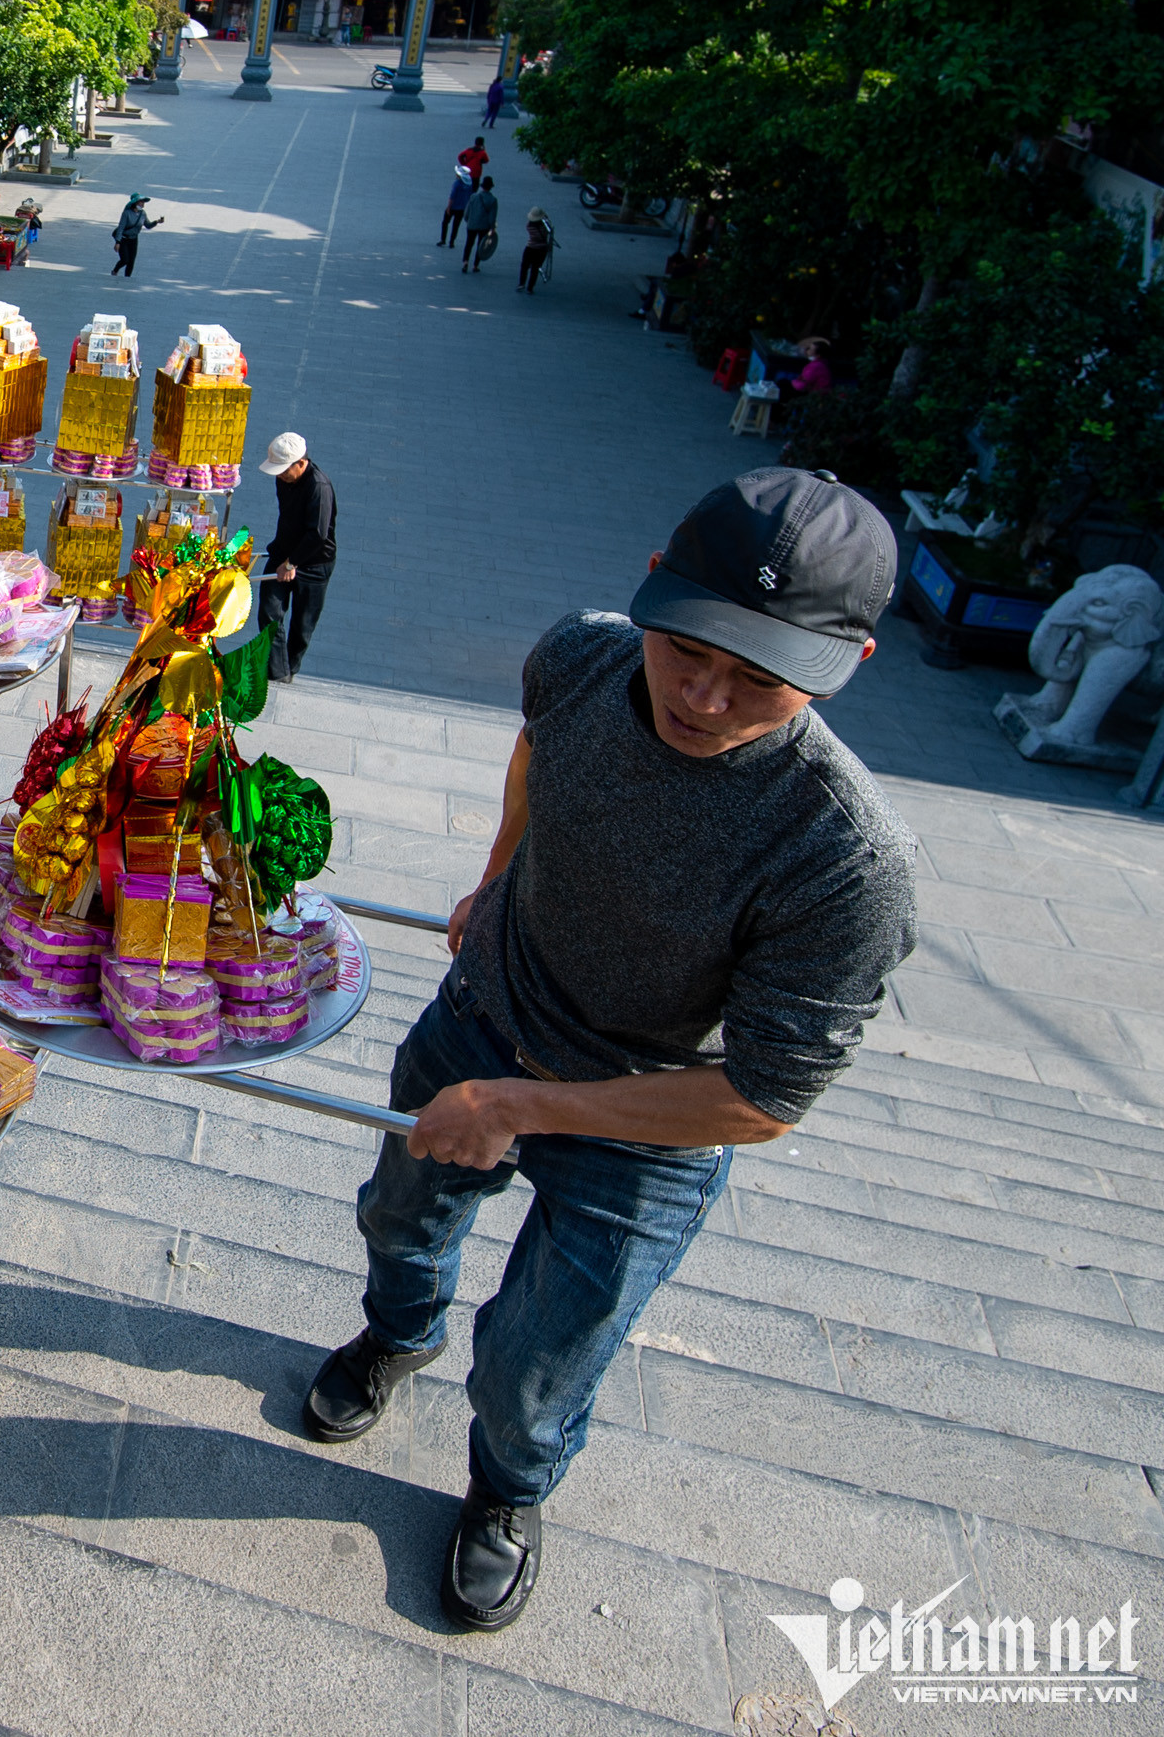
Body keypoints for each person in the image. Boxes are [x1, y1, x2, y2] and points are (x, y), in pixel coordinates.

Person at [298, 468, 916, 1635]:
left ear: (847, 669)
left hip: (650, 1115)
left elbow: (759, 1100)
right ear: (649, 591)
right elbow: (538, 759)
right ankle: (397, 1335)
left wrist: (523, 1106)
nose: (705, 695)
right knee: (400, 1217)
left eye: (759, 678)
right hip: (486, 1017)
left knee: (537, 1357)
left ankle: (506, 1490)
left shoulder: (844, 860)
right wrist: (494, 878)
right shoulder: (581, 658)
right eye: (688, 647)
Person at [255, 431, 334, 682]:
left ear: (301, 463)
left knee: (303, 624)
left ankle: (289, 666)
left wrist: (292, 563)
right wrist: (283, 557)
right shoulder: (284, 479)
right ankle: (277, 673)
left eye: (283, 470)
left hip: (314, 562)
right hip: (283, 553)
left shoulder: (318, 487)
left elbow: (318, 534)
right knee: (269, 611)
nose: (279, 476)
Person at [460, 175, 501, 274]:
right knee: (481, 245)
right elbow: (492, 217)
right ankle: (475, 265)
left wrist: (467, 219)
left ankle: (465, 262)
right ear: (490, 187)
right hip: (484, 226)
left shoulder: (474, 196)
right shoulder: (493, 200)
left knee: (469, 243)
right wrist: (492, 228)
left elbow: (467, 211)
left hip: (472, 224)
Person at [112, 194, 153, 277]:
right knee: (125, 260)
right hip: (123, 239)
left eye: (143, 202)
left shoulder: (143, 213)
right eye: (141, 202)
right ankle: (115, 270)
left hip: (134, 239)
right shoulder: (126, 213)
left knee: (131, 261)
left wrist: (157, 222)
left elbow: (148, 225)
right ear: (135, 203)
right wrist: (117, 242)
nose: (143, 204)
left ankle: (127, 278)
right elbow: (121, 227)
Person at [438, 164, 476, 249]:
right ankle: (452, 242)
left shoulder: (457, 183)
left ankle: (443, 239)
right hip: (462, 208)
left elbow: (452, 196)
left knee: (445, 222)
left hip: (453, 207)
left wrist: (448, 207)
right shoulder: (469, 184)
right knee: (456, 225)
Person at [516, 208, 554, 293]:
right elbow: (550, 229)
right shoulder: (545, 228)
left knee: (524, 266)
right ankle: (530, 288)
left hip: (530, 248)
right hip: (541, 249)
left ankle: (521, 283)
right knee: (535, 268)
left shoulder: (529, 226)